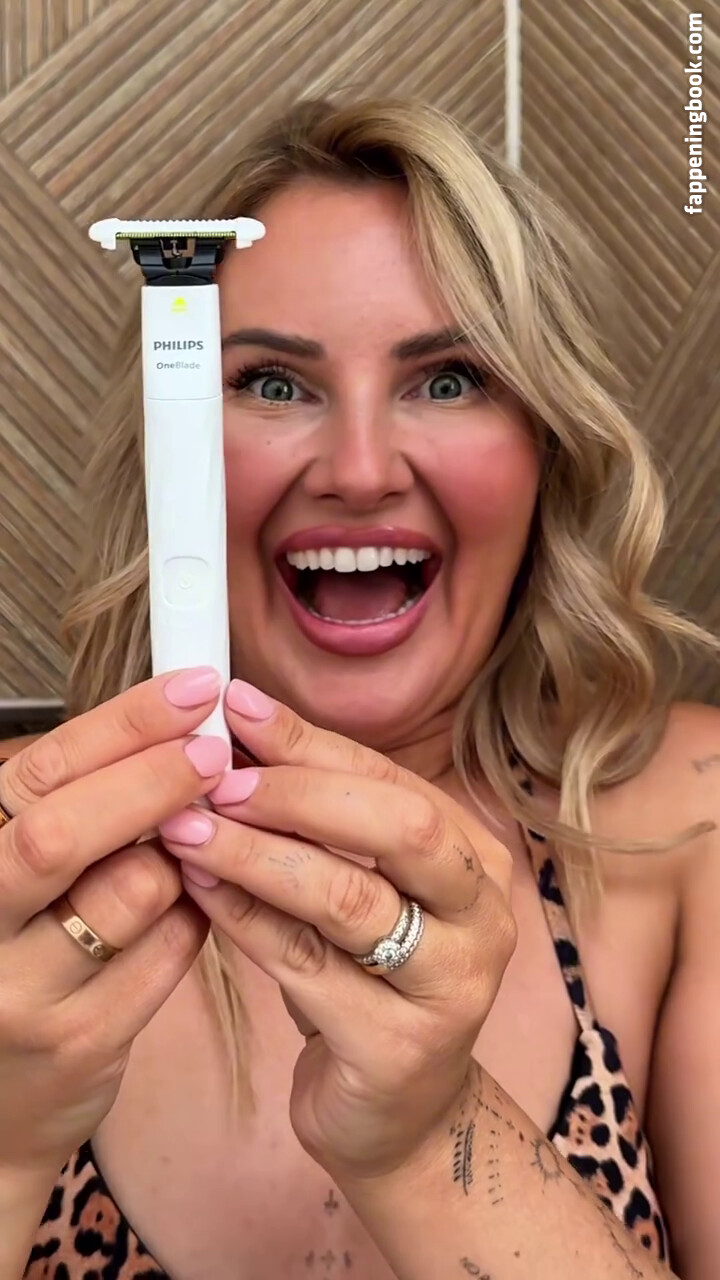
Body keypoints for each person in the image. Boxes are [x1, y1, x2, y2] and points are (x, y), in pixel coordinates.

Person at [0, 94, 718, 1280]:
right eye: (275, 385)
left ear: (547, 444)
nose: (361, 469)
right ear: (171, 443)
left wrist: (430, 1133)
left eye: (449, 378)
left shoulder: (692, 816)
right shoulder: (17, 866)